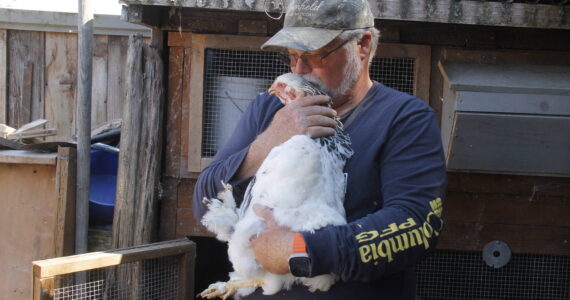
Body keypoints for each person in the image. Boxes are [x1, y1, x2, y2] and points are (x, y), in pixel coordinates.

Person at [193, 0, 447, 298]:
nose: (299, 69)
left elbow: (417, 225)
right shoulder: (268, 109)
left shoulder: (404, 118)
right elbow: (204, 202)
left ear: (362, 46)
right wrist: (271, 139)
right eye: (292, 56)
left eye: (314, 56)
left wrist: (300, 250)